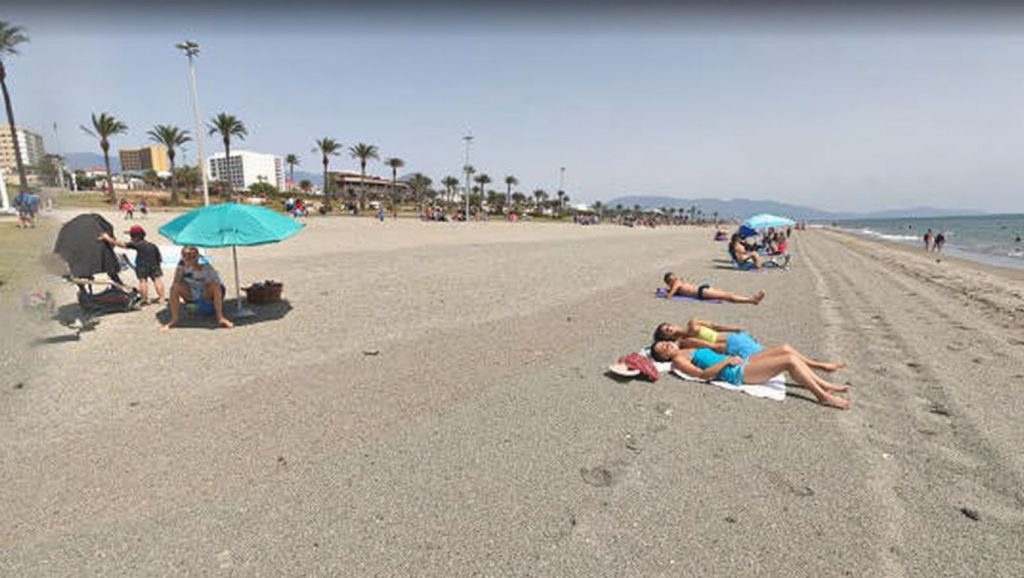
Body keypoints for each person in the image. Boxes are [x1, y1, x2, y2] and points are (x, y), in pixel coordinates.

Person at [650, 340, 852, 410]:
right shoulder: (678, 360)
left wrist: (730, 355)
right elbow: (702, 374)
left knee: (786, 349)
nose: (666, 345)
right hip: (734, 372)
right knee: (788, 361)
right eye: (663, 348)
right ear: (665, 357)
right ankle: (822, 396)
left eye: (664, 342)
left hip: (738, 362)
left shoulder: (685, 348)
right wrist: (727, 361)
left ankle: (824, 384)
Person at [654, 319, 845, 372]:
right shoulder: (685, 344)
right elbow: (712, 349)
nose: (671, 330)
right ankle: (818, 366)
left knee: (782, 352)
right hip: (733, 349)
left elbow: (714, 325)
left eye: (669, 326)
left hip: (737, 339)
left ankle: (816, 366)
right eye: (667, 332)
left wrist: (736, 329)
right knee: (779, 357)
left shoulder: (692, 323)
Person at [163, 246, 233, 330]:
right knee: (175, 287)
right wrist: (180, 272)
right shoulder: (181, 265)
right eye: (185, 256)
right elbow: (176, 283)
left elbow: (216, 283)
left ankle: (220, 318)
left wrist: (200, 271)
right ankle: (174, 319)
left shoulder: (205, 266)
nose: (187, 259)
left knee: (215, 286)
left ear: (197, 256)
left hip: (205, 293)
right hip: (191, 293)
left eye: (191, 256)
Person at [98, 225, 166, 305]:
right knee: (157, 279)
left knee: (143, 281)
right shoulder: (151, 245)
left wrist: (107, 238)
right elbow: (159, 257)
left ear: (136, 237)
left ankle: (144, 299)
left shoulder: (137, 244)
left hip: (142, 265)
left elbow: (121, 244)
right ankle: (162, 298)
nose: (131, 238)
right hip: (154, 264)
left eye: (132, 236)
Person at [662, 272, 765, 305]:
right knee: (727, 296)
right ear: (669, 282)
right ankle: (751, 300)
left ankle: (751, 299)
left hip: (702, 290)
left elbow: (670, 294)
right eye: (672, 278)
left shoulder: (677, 283)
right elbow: (670, 296)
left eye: (675, 276)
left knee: (727, 295)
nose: (675, 278)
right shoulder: (677, 283)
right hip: (701, 292)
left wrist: (668, 291)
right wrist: (669, 291)